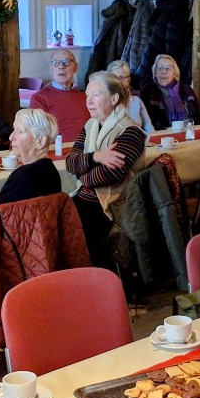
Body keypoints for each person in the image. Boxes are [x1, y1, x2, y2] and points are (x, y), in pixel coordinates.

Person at [65, 71, 148, 269]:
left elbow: (108, 175)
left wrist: (82, 172)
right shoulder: (90, 126)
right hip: (83, 198)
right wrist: (96, 156)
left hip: (112, 206)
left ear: (114, 98)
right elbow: (70, 163)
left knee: (72, 230)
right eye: (87, 95)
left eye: (96, 95)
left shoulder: (130, 131)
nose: (89, 101)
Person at [31, 49, 91, 144]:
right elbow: (38, 134)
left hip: (87, 149)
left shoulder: (86, 97)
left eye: (66, 62)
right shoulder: (40, 99)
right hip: (57, 151)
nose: (61, 67)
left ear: (75, 67)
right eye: (55, 63)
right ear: (51, 69)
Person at [140, 53, 200, 129]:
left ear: (174, 73)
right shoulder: (148, 91)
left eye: (168, 68)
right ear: (155, 72)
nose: (164, 71)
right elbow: (146, 121)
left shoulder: (186, 90)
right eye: (160, 68)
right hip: (163, 136)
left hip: (190, 133)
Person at [106, 60, 155, 135]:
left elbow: (149, 128)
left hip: (139, 142)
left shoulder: (137, 101)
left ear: (129, 80)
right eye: (115, 78)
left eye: (122, 78)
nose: (118, 82)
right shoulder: (105, 103)